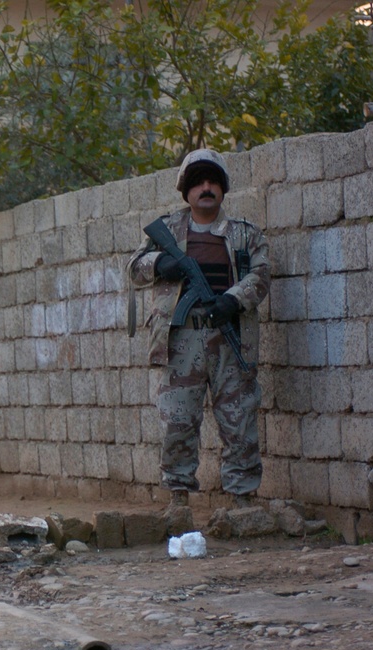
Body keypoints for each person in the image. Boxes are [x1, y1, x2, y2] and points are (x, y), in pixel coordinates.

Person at [127, 149, 270, 509]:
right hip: (181, 340)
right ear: (187, 190)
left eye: (213, 182)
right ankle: (177, 500)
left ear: (222, 189)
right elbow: (134, 268)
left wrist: (233, 299)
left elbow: (261, 275)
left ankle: (243, 501)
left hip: (228, 333)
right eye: (198, 182)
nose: (206, 188)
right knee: (178, 420)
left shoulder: (244, 234)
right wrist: (162, 262)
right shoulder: (168, 230)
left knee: (238, 420)